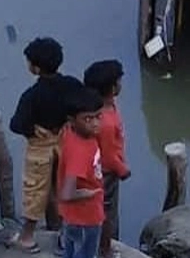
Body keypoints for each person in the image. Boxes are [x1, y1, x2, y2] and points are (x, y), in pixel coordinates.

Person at [9, 37, 83, 253]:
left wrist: (33, 130)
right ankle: (64, 237)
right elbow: (83, 105)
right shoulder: (71, 85)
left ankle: (27, 237)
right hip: (64, 143)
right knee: (65, 189)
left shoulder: (31, 96)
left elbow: (17, 124)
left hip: (40, 148)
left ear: (36, 68)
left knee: (35, 191)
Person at [82, 61, 129, 258]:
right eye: (119, 81)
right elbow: (108, 156)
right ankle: (105, 250)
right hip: (106, 173)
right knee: (107, 211)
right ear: (112, 88)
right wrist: (122, 169)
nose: (121, 84)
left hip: (90, 170)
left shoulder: (96, 110)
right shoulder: (107, 122)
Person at [57, 88, 105, 258]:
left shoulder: (73, 134)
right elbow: (67, 193)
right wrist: (88, 193)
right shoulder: (80, 152)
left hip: (74, 216)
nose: (95, 123)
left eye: (98, 116)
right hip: (85, 217)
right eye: (88, 119)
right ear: (72, 120)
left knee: (72, 250)